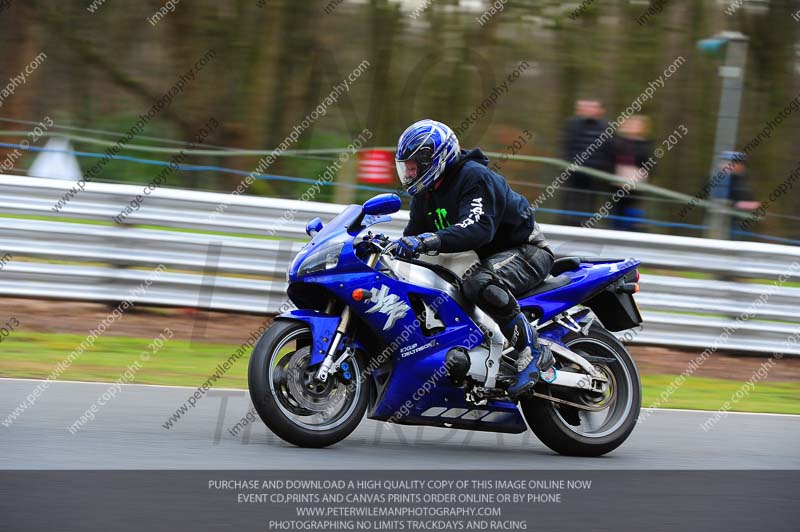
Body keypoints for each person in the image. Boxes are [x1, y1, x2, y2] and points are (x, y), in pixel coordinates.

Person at [392, 119, 554, 398]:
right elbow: (413, 240)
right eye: (405, 166)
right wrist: (394, 250)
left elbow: (478, 228)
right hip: (486, 258)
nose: (408, 173)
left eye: (413, 165)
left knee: (477, 282)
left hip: (526, 250)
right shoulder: (424, 196)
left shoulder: (473, 176)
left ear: (434, 159)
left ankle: (533, 350)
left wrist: (429, 241)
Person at [560, 99, 616, 225]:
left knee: (590, 204)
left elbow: (610, 151)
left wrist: (606, 170)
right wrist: (566, 166)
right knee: (570, 202)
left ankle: (585, 227)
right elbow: (566, 146)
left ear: (600, 110)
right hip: (574, 172)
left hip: (595, 174)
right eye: (587, 107)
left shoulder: (607, 126)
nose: (589, 110)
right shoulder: (572, 124)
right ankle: (566, 226)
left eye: (593, 107)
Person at [612, 115, 653, 231]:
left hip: (636, 185)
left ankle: (634, 232)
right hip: (617, 183)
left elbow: (648, 164)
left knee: (632, 213)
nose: (631, 127)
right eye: (629, 124)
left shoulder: (645, 144)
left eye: (635, 125)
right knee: (617, 213)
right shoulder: (616, 142)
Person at [707, 151, 759, 239]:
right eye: (738, 163)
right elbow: (717, 201)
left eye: (742, 163)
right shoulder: (719, 179)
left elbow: (745, 195)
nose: (741, 166)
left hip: (739, 221)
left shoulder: (741, 178)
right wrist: (739, 204)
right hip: (722, 222)